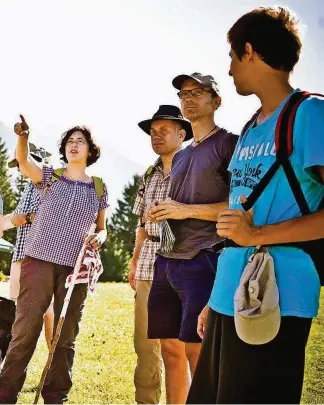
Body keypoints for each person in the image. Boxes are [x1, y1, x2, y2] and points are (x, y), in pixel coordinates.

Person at [187, 7, 324, 404]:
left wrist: (257, 235)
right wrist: (215, 299)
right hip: (230, 290)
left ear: (249, 51)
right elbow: (240, 216)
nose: (228, 69)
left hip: (278, 295)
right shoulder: (251, 125)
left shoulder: (312, 112)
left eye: (231, 57)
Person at [0, 115, 109, 404]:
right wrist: (23, 138)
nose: (74, 145)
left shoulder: (99, 187)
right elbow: (24, 164)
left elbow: (102, 227)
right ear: (64, 148)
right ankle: (5, 392)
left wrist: (101, 237)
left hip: (75, 268)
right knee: (25, 329)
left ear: (90, 150)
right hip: (39, 260)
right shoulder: (51, 176)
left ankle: (55, 395)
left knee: (65, 333)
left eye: (80, 141)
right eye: (70, 141)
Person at [147, 73, 238, 403]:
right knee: (169, 352)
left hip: (204, 259)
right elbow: (179, 207)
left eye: (198, 92)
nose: (188, 97)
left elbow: (239, 206)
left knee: (198, 354)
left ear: (216, 101)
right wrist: (164, 213)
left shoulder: (230, 144)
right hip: (167, 262)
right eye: (183, 93)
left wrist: (184, 210)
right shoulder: (182, 155)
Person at [129, 105, 191, 404]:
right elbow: (141, 223)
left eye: (163, 130)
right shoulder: (149, 173)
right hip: (147, 262)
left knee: (177, 346)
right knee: (144, 343)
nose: (157, 136)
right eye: (153, 132)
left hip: (182, 260)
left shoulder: (194, 169)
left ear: (182, 134)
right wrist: (134, 259)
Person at [0, 146, 54, 350]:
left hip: (40, 257)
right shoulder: (28, 188)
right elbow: (4, 224)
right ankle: (11, 363)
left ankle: (52, 362)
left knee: (48, 311)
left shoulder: (49, 184)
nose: (19, 171)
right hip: (19, 257)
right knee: (15, 311)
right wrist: (15, 220)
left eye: (21, 165)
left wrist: (29, 217)